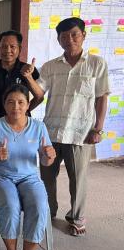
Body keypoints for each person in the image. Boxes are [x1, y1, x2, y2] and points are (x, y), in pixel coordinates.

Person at [33, 17, 110, 237]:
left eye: (74, 34)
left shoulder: (97, 64)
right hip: (51, 132)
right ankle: (49, 210)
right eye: (64, 36)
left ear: (83, 35)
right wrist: (24, 108)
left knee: (79, 178)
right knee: (47, 175)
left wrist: (98, 128)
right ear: (58, 40)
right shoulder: (50, 67)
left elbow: (101, 98)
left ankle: (77, 217)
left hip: (81, 133)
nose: (69, 40)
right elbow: (39, 93)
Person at [0, 84, 56, 250]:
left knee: (40, 205)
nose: (16, 107)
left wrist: (49, 156)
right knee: (10, 204)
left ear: (27, 105)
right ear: (4, 105)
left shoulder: (38, 127)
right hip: (0, 177)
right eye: (11, 102)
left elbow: (46, 158)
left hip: (29, 177)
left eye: (21, 102)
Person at [0, 30, 41, 129]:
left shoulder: (28, 69)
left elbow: (39, 97)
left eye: (12, 47)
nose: (8, 50)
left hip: (21, 125)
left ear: (20, 48)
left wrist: (25, 110)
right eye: (4, 47)